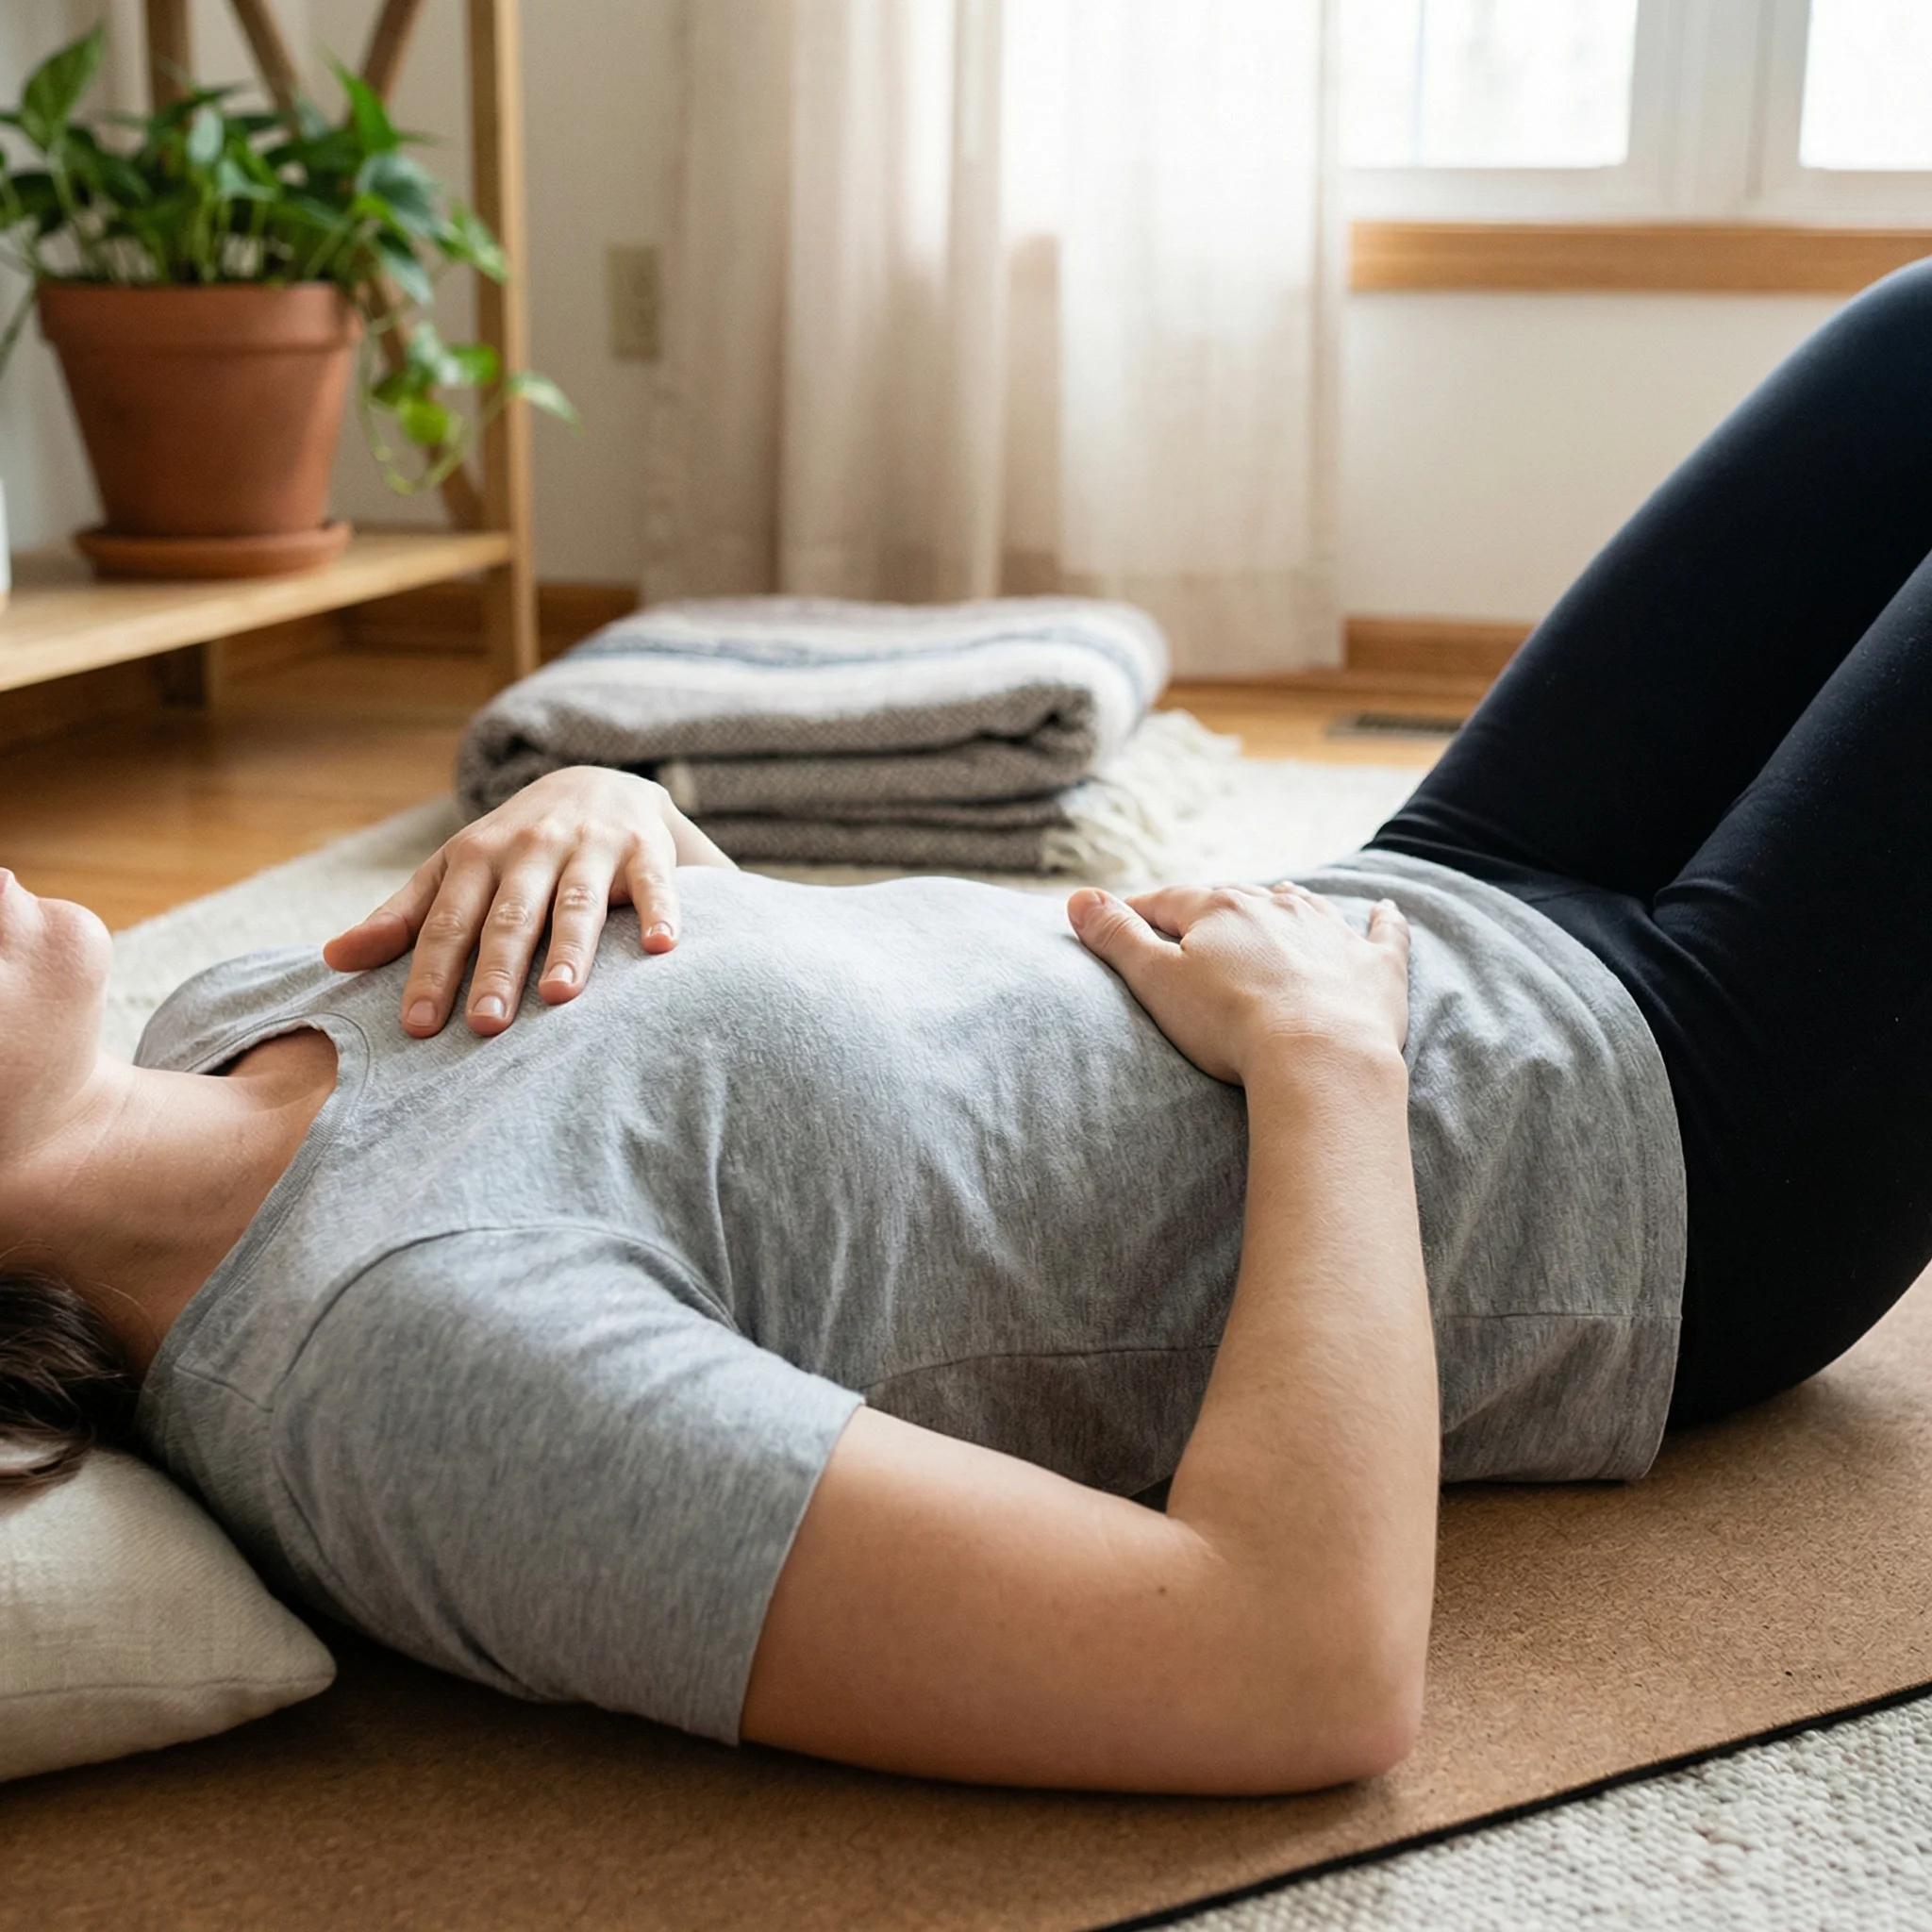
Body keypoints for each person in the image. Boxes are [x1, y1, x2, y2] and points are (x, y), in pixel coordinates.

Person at [6, 258, 1932, 1796]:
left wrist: (624, 809)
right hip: (1655, 1151)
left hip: (1431, 893)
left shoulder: (231, 1007)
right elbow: (1284, 1676)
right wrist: (1326, 1068)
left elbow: (774, 1048)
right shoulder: (397, 1376)